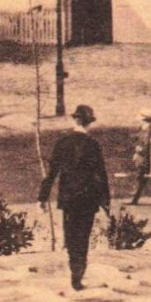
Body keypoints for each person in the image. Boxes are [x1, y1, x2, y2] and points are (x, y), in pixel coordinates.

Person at [41, 103, 110, 291]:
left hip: (68, 199)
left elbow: (52, 171)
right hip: (87, 200)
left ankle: (74, 271)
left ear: (75, 120)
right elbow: (100, 175)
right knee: (83, 238)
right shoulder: (93, 145)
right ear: (89, 123)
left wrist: (43, 197)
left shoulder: (63, 142)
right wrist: (105, 202)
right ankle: (78, 275)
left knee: (71, 235)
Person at [128, 111, 151, 204]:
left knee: (142, 178)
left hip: (147, 159)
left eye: (139, 116)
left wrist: (138, 151)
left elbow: (146, 146)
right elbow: (140, 141)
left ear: (143, 119)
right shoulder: (144, 128)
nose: (137, 118)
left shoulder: (150, 130)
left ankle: (134, 200)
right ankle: (134, 200)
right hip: (143, 158)